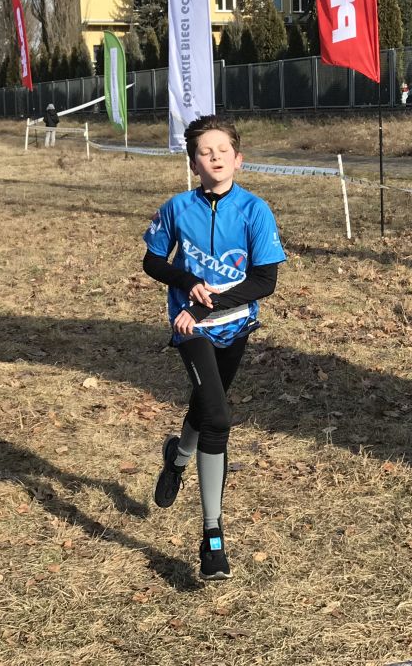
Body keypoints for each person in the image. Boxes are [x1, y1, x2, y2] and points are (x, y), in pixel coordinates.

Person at [143, 115, 286, 581]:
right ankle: (212, 536)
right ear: (193, 164)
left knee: (207, 406)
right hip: (190, 327)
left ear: (238, 160)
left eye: (223, 150)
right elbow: (152, 261)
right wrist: (187, 283)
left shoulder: (255, 211)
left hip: (234, 324)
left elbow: (265, 280)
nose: (215, 157)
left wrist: (211, 305)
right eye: (206, 152)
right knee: (219, 419)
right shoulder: (176, 208)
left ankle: (177, 458)